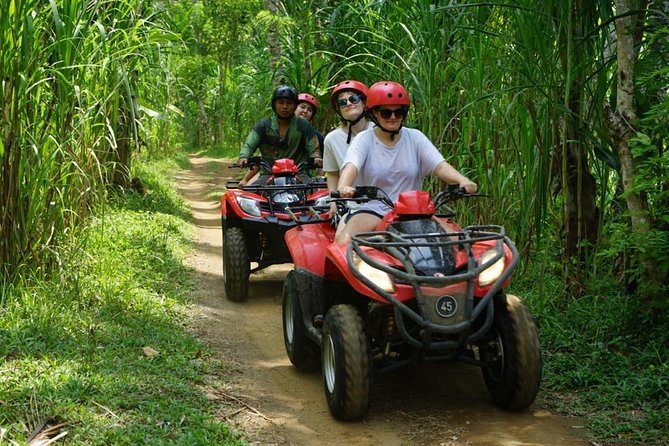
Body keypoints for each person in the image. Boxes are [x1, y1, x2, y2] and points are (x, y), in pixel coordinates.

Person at [335, 80, 477, 244]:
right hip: (372, 209)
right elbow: (351, 166)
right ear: (374, 113)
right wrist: (344, 186)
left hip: (414, 210)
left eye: (399, 112)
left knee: (457, 242)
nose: (393, 117)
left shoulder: (415, 137)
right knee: (344, 244)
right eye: (386, 113)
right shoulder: (364, 139)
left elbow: (440, 166)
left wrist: (463, 180)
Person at [237, 85, 322, 186]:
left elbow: (314, 148)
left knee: (314, 197)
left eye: (289, 103)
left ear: (294, 105)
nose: (285, 107)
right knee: (251, 197)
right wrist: (244, 156)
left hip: (299, 174)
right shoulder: (263, 125)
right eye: (281, 102)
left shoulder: (304, 126)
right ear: (274, 104)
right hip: (268, 174)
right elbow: (250, 144)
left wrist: (316, 158)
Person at [322, 80, 370, 216]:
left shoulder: (378, 131)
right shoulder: (332, 139)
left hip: (382, 200)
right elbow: (332, 174)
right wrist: (333, 201)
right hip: (350, 204)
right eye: (342, 103)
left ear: (364, 102)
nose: (348, 104)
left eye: (353, 99)